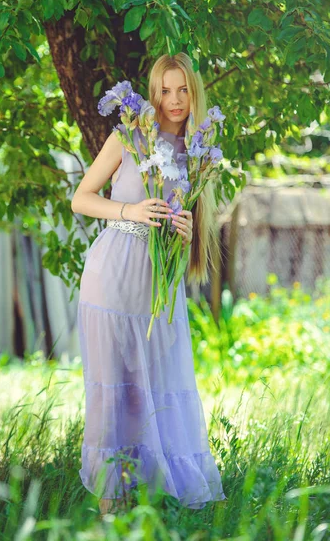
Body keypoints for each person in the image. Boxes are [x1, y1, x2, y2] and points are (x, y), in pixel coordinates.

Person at [71, 52, 227, 518]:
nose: (174, 100)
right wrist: (131, 212)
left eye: (183, 90)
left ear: (193, 93)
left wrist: (185, 233)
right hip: (111, 280)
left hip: (159, 290)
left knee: (152, 393)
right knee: (112, 393)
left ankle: (152, 508)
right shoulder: (129, 138)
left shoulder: (199, 153)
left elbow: (193, 232)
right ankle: (109, 511)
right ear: (153, 92)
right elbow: (81, 198)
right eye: (165, 90)